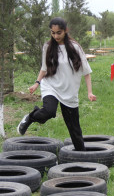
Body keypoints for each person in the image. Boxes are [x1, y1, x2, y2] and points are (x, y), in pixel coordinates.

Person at [17, 17, 96, 151]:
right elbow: (44, 68)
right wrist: (37, 83)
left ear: (66, 31)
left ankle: (82, 156)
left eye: (58, 32)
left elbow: (86, 72)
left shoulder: (75, 47)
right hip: (51, 86)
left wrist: (89, 92)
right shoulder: (47, 47)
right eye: (53, 33)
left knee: (74, 128)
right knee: (49, 111)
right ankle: (30, 118)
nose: (55, 36)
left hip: (69, 91)